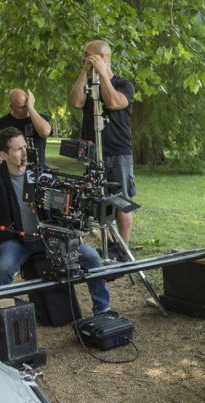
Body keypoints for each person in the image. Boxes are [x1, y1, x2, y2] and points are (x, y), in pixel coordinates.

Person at [0, 127, 111, 314]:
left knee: (92, 257)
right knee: (3, 270)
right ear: (3, 154)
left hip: (52, 237)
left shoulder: (42, 173)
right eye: (18, 149)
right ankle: (5, 317)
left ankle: (103, 309)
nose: (25, 152)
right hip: (19, 240)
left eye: (25, 146)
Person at [68, 39, 136, 249]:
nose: (85, 59)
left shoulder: (124, 84)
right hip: (92, 151)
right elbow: (76, 102)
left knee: (122, 201)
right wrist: (85, 72)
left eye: (89, 56)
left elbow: (114, 102)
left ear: (104, 57)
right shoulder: (87, 84)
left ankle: (123, 250)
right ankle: (107, 245)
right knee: (98, 199)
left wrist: (102, 72)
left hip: (117, 151)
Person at [0, 88, 51, 167]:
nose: (26, 109)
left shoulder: (41, 118)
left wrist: (31, 107)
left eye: (27, 105)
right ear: (11, 106)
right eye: (22, 107)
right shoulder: (2, 123)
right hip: (11, 172)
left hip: (36, 171)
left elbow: (45, 132)